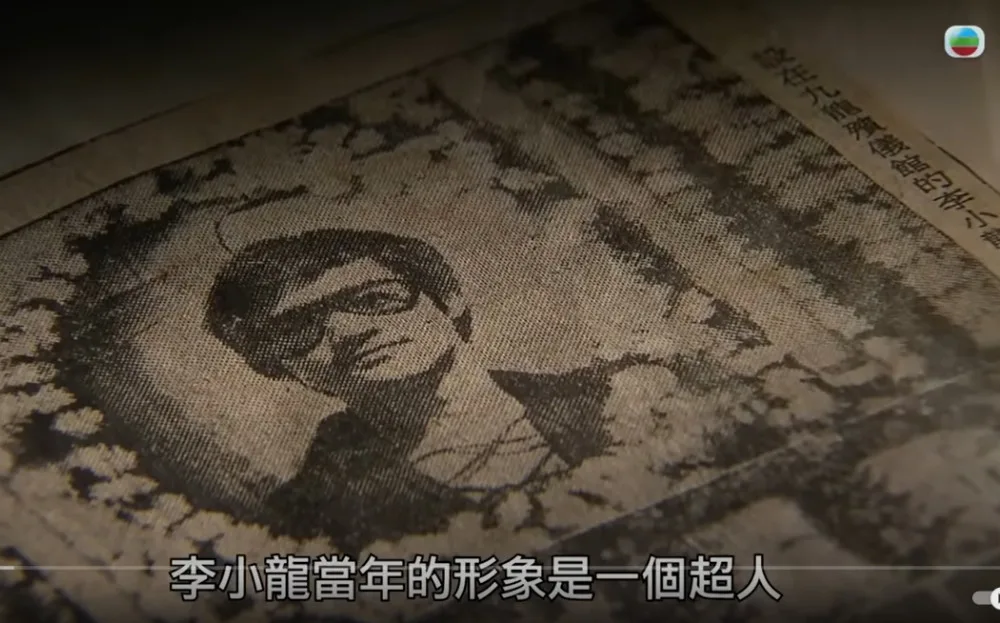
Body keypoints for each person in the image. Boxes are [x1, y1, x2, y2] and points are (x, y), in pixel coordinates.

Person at [205, 228, 653, 554]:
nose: (348, 331)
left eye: (375, 298)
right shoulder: (307, 522)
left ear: (449, 300)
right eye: (298, 329)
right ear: (277, 366)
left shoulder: (626, 392)